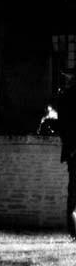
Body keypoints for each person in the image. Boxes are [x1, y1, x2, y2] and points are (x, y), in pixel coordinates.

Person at [59, 69, 76, 240]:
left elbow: (63, 127)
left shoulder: (65, 98)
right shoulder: (66, 98)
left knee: (73, 193)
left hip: (72, 152)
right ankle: (73, 230)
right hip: (73, 152)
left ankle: (73, 231)